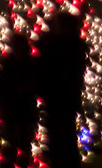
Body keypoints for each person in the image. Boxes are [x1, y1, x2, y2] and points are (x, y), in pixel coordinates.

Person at [37, 11, 86, 168]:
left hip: (58, 97)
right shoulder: (75, 45)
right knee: (66, 137)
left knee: (60, 139)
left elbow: (48, 65)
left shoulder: (58, 45)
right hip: (67, 97)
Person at [0, 31, 38, 168]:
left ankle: (21, 164)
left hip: (25, 110)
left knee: (23, 144)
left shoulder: (30, 64)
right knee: (10, 143)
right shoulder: (7, 64)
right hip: (10, 110)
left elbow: (35, 84)